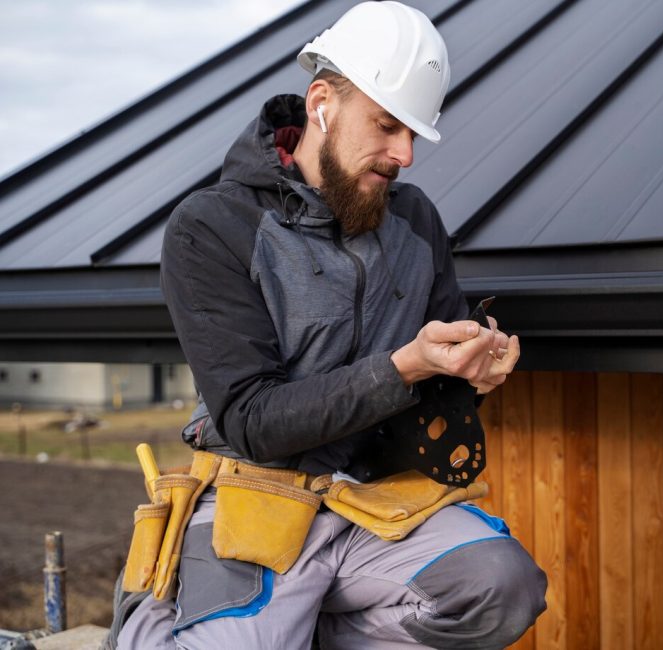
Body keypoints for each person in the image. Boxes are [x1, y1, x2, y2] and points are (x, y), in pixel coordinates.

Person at [112, 2, 547, 648]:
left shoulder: (415, 222)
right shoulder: (212, 228)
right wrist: (406, 365)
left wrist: (470, 369)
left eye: (413, 134)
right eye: (387, 126)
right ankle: (148, 623)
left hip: (366, 505)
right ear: (322, 103)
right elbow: (255, 422)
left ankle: (305, 626)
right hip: (252, 500)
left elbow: (439, 356)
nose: (404, 154)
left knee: (504, 587)